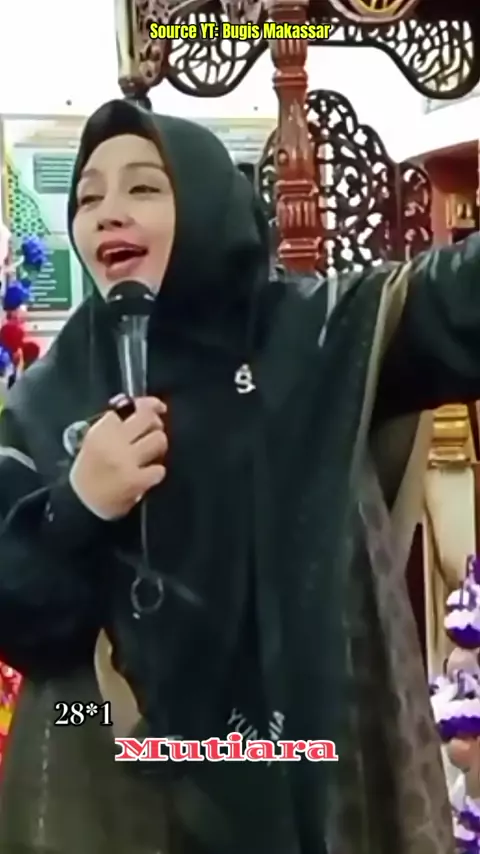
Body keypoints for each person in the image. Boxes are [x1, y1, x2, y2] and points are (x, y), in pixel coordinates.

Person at [0, 97, 474, 854]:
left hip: (310, 764)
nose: (108, 212)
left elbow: (455, 302)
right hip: (117, 779)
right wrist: (79, 504)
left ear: (208, 201)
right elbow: (21, 615)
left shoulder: (313, 336)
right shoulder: (48, 399)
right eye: (87, 198)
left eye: (144, 187)